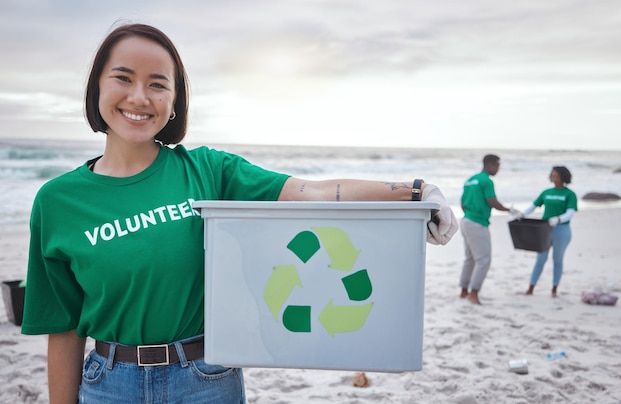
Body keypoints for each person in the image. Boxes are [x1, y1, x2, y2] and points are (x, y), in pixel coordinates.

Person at [20, 23, 458, 403]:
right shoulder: (58, 201)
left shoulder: (209, 170)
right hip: (108, 383)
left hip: (205, 377)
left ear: (175, 101)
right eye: (123, 78)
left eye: (158, 83)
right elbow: (62, 328)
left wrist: (413, 192)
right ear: (98, 86)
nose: (140, 96)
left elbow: (312, 192)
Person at [459, 154, 519, 305]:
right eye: (497, 166)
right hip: (477, 222)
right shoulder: (487, 181)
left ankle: (464, 291)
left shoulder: (470, 180)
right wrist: (508, 210)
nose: (498, 169)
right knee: (483, 260)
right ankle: (474, 294)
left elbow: (462, 202)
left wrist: (470, 213)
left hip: (465, 220)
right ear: (491, 164)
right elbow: (491, 201)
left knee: (470, 258)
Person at [518, 166, 577, 297]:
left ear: (563, 177)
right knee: (540, 258)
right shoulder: (546, 192)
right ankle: (531, 287)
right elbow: (533, 206)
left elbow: (570, 212)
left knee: (557, 259)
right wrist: (522, 214)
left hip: (562, 230)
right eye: (552, 175)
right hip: (544, 229)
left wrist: (559, 219)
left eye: (557, 176)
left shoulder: (569, 194)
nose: (554, 178)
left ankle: (554, 288)